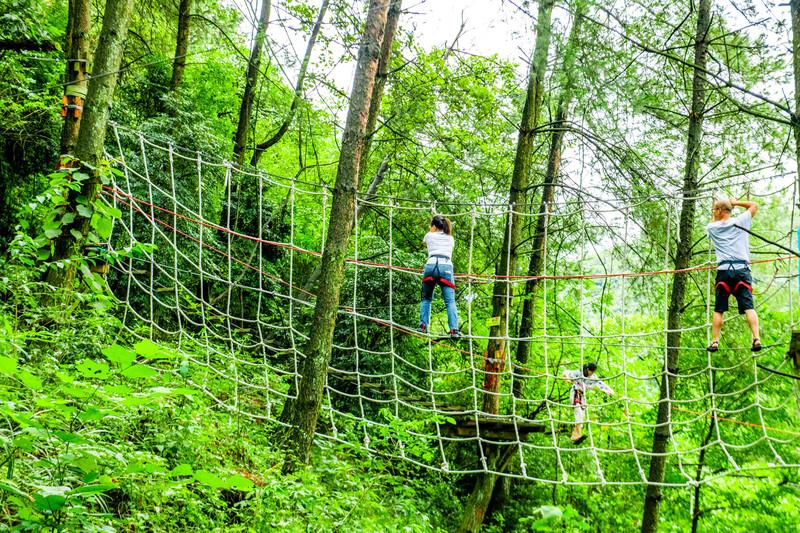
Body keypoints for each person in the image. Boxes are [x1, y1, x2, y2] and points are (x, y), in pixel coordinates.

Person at [706, 198, 761, 352]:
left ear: (718, 211)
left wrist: (720, 209)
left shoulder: (711, 227)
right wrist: (736, 202)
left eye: (714, 210)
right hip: (741, 271)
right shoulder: (741, 221)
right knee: (749, 307)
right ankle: (756, 338)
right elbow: (754, 205)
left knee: (719, 309)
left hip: (724, 273)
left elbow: (715, 221)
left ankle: (715, 341)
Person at [419, 215, 460, 339]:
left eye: (430, 226)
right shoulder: (450, 238)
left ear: (434, 226)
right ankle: (454, 330)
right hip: (446, 267)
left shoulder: (429, 235)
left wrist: (431, 231)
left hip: (431, 266)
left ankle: (423, 326)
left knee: (426, 299)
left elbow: (424, 242)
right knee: (450, 301)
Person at [563, 362, 614, 443]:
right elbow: (566, 372)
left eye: (593, 372)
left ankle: (574, 434)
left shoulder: (593, 377)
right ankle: (577, 434)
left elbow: (601, 384)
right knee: (578, 412)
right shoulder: (579, 373)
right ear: (587, 369)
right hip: (575, 392)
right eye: (591, 371)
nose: (591, 373)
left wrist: (609, 390)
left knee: (582, 416)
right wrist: (567, 378)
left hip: (582, 396)